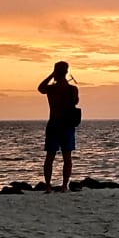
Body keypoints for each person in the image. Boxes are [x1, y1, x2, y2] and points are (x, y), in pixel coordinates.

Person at [38, 61, 79, 193]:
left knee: (50, 156)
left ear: (56, 72)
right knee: (67, 157)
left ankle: (48, 186)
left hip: (54, 124)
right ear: (66, 72)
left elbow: (40, 88)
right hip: (67, 125)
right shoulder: (72, 89)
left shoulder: (51, 89)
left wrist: (51, 75)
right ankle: (64, 186)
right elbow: (75, 101)